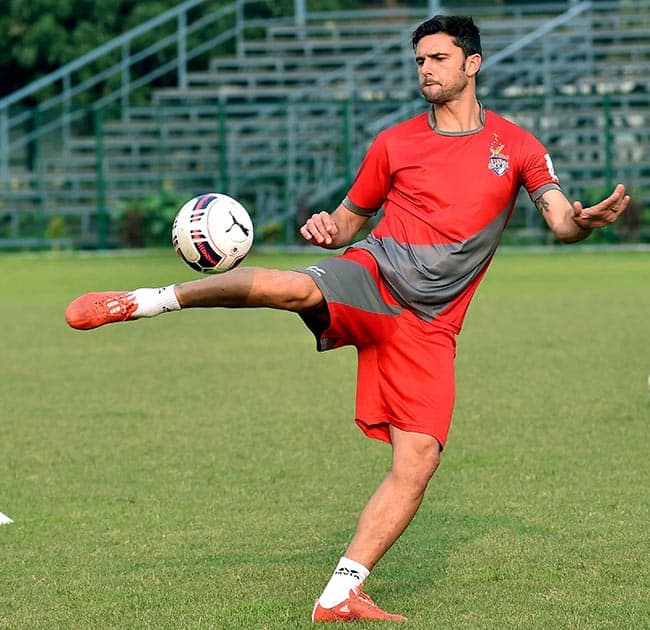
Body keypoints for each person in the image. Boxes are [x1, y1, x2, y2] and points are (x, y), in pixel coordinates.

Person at [65, 15, 629, 623]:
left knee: (418, 465)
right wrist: (326, 229)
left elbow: (559, 219)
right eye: (419, 60)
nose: (425, 70)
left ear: (472, 64)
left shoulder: (518, 146)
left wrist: (583, 221)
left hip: (433, 326)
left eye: (438, 58)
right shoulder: (394, 143)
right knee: (296, 290)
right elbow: (345, 224)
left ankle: (339, 595)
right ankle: (145, 300)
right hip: (376, 274)